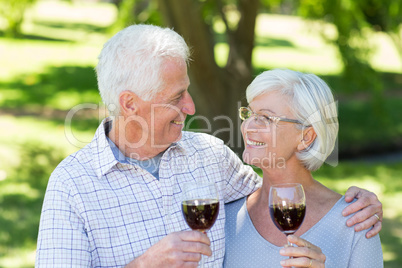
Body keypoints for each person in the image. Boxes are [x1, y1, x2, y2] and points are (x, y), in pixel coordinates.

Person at [36, 24, 382, 268]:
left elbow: (280, 188)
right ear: (129, 104)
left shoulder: (210, 157)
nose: (191, 107)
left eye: (187, 91)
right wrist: (143, 265)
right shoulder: (73, 186)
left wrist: (356, 202)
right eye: (176, 97)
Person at [224, 69, 383, 268]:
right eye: (248, 114)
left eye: (265, 118)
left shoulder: (356, 221)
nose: (247, 127)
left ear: (306, 137)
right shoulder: (224, 213)